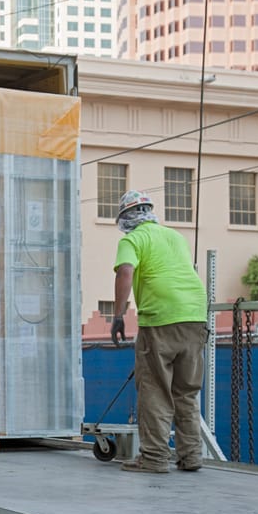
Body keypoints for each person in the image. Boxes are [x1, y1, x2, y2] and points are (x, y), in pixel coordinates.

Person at [110, 190, 208, 474]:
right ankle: (191, 456)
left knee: (155, 389)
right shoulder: (176, 236)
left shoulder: (132, 239)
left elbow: (125, 272)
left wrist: (118, 316)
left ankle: (153, 458)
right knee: (186, 391)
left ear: (125, 218)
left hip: (161, 319)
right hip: (194, 315)